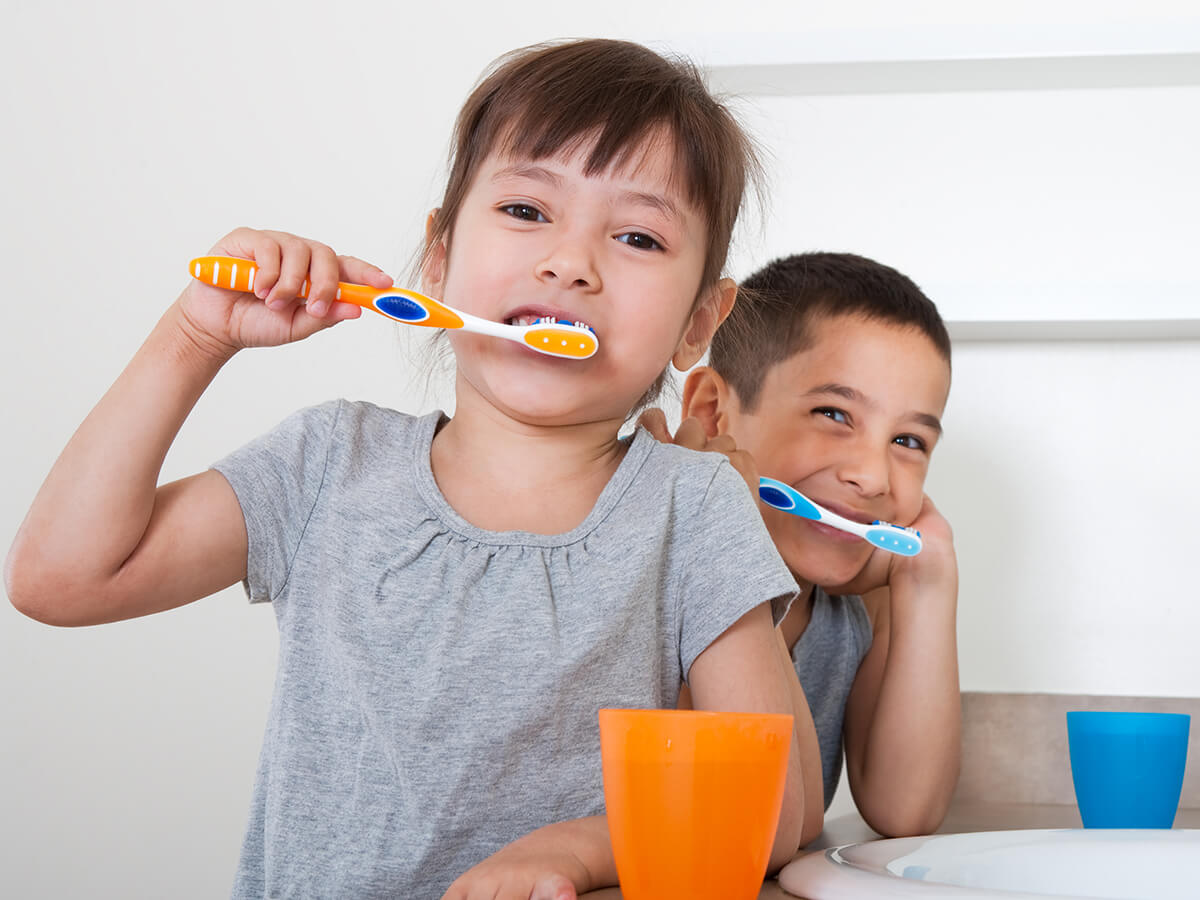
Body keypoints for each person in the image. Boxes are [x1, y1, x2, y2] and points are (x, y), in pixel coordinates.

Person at [3, 40, 809, 899]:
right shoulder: (326, 467)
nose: (570, 263)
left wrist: (580, 847)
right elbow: (62, 579)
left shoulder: (690, 508)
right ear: (438, 258)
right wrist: (196, 338)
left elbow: (778, 807)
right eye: (529, 211)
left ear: (699, 322)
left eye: (639, 236)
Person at [645, 251, 960, 840]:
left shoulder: (852, 609)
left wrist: (929, 579)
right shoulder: (646, 566)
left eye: (909, 440)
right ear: (712, 414)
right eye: (834, 413)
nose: (873, 477)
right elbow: (734, 816)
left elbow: (905, 812)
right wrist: (725, 535)